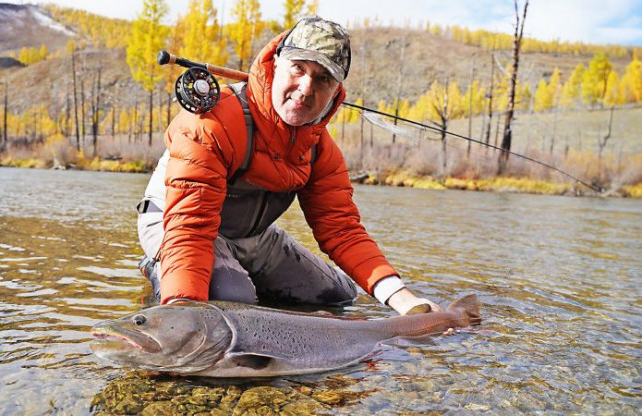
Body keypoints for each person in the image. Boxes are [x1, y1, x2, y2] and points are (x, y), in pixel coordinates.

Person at [136, 17, 441, 316]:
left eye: (323, 78)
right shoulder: (212, 123)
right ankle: (161, 266)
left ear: (336, 92)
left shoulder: (320, 149)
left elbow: (342, 230)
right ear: (275, 64)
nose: (306, 88)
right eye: (298, 68)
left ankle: (238, 274)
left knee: (339, 296)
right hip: (173, 222)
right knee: (232, 304)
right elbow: (191, 227)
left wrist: (406, 302)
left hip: (254, 237)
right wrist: (182, 312)